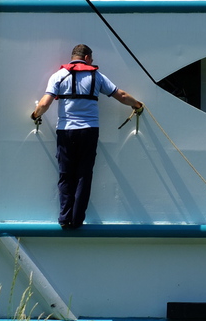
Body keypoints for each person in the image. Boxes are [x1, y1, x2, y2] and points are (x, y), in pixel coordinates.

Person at [31, 44, 143, 229]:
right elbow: (121, 95)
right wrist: (137, 105)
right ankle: (77, 220)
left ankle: (64, 218)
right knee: (84, 175)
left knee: (66, 175)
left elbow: (44, 103)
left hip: (66, 131)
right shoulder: (97, 76)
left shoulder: (59, 76)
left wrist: (35, 115)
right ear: (87, 58)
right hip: (89, 131)